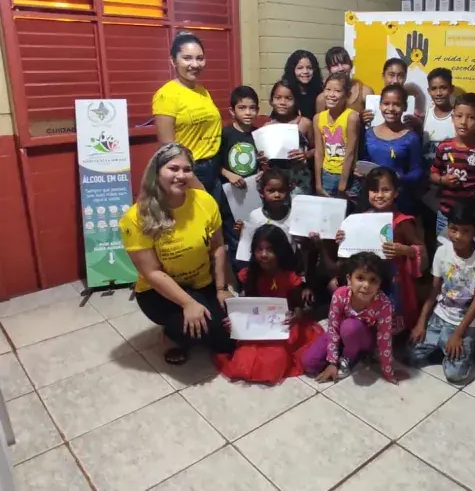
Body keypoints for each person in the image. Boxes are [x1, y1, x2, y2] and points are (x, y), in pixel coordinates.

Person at [120, 143, 234, 365]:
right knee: (198, 330)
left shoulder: (205, 201)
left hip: (202, 283)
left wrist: (222, 289)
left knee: (227, 339)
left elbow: (218, 246)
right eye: (173, 168)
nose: (181, 175)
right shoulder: (136, 217)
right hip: (158, 292)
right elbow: (151, 272)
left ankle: (193, 321)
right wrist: (187, 303)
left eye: (187, 169)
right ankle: (173, 336)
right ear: (157, 172)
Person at [215, 224, 323, 384]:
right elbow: (247, 305)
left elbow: (299, 307)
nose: (264, 255)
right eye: (259, 250)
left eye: (270, 250)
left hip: (284, 326)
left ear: (280, 251)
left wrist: (296, 315)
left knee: (275, 359)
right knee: (243, 359)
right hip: (258, 324)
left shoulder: (289, 277)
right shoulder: (249, 275)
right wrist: (235, 320)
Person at [408, 202, 475, 383]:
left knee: (455, 375)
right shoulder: (442, 251)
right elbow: (434, 290)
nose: (458, 236)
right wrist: (421, 322)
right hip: (440, 315)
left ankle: (463, 347)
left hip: (464, 323)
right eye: (453, 229)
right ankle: (443, 345)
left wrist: (458, 334)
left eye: (465, 231)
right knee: (411, 355)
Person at [345, 167, 425, 333]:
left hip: (394, 282)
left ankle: (388, 349)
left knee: (389, 322)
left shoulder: (403, 221)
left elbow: (421, 249)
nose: (379, 195)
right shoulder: (362, 218)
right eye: (374, 190)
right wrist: (344, 239)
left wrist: (405, 250)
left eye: (386, 190)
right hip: (368, 279)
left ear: (396, 193)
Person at [302, 252, 401, 383]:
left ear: (379, 284)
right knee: (309, 364)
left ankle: (350, 356)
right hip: (341, 334)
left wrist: (388, 372)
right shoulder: (340, 295)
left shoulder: (383, 304)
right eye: (360, 278)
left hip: (364, 337)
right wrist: (332, 362)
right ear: (349, 279)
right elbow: (333, 328)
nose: (366, 285)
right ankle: (342, 354)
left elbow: (384, 339)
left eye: (373, 280)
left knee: (350, 327)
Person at [153, 32, 222, 198]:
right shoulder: (166, 95)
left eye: (200, 58)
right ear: (173, 61)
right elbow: (168, 148)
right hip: (188, 171)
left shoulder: (202, 91)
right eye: (187, 58)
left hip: (213, 167)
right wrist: (194, 182)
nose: (195, 64)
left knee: (213, 221)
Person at [430, 93, 475, 236]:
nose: (463, 122)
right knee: (445, 253)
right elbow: (433, 174)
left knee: (470, 254)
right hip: (445, 215)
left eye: (471, 117)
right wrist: (443, 180)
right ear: (452, 117)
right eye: (459, 116)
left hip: (470, 218)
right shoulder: (444, 147)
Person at [360, 85, 423, 214]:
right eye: (386, 103)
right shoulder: (369, 133)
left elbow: (417, 170)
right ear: (380, 105)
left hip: (398, 200)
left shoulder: (411, 138)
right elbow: (365, 161)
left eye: (396, 104)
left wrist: (400, 178)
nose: (390, 109)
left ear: (404, 107)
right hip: (373, 198)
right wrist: (360, 172)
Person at [217, 85, 260, 268]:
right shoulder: (225, 134)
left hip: (253, 196)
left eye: (252, 108)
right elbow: (215, 163)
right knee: (235, 238)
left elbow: (262, 163)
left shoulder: (258, 135)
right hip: (231, 197)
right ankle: (239, 279)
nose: (248, 112)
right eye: (242, 108)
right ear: (232, 111)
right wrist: (229, 174)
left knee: (254, 236)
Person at [263, 79, 314, 196]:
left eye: (288, 98)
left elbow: (317, 149)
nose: (282, 102)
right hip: (276, 184)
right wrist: (262, 158)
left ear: (296, 101)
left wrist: (306, 154)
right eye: (278, 98)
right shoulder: (267, 127)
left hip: (299, 183)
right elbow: (264, 157)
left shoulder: (304, 123)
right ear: (271, 101)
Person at [313, 73, 360, 198]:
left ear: (347, 95)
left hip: (346, 175)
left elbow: (350, 152)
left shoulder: (351, 117)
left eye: (337, 91)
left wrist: (342, 185)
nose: (331, 95)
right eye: (328, 89)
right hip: (326, 174)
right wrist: (318, 184)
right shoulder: (318, 118)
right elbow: (319, 152)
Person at [318, 46, 373, 115]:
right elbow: (319, 123)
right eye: (335, 65)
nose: (341, 68)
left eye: (344, 63)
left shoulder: (365, 92)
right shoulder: (322, 98)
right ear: (328, 69)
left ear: (351, 64)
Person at [422, 67, 455, 168]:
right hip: (426, 177)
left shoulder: (458, 117)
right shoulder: (425, 116)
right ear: (429, 91)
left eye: (443, 88)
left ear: (451, 89)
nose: (439, 93)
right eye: (434, 88)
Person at [283, 49, 323, 119]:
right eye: (300, 68)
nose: (305, 71)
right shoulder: (286, 91)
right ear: (292, 70)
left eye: (309, 68)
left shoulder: (320, 93)